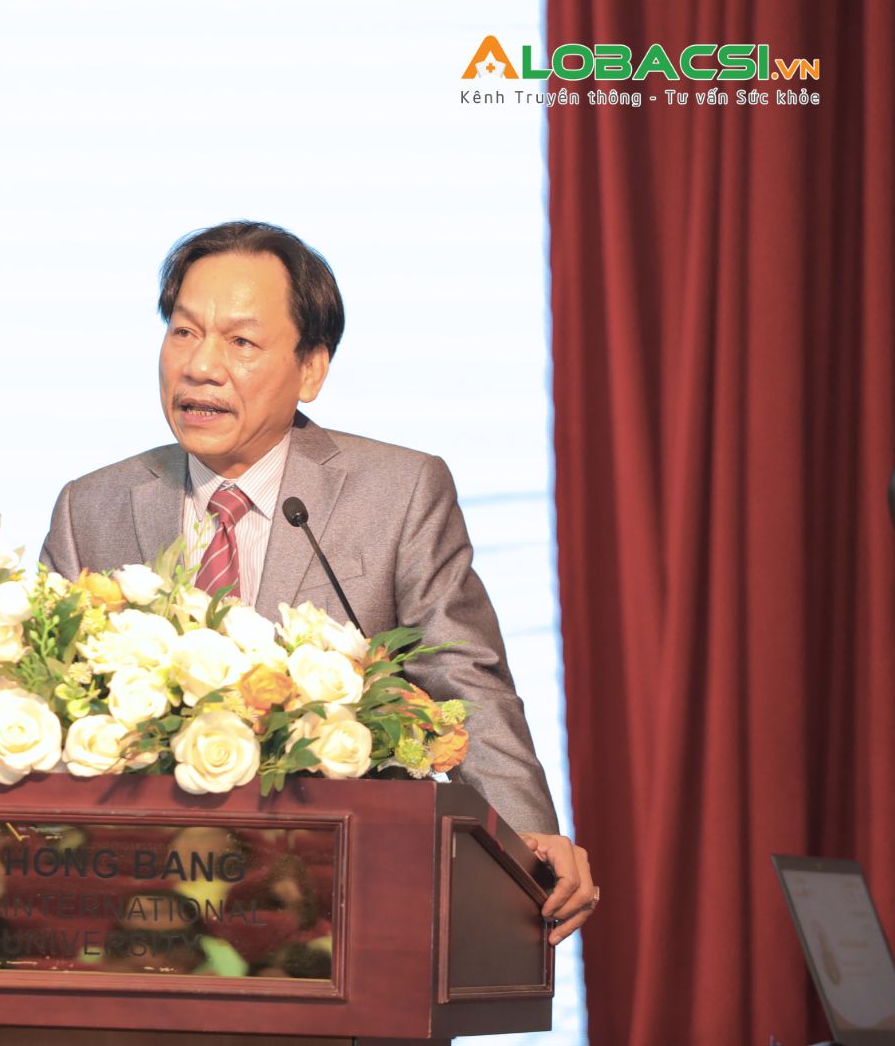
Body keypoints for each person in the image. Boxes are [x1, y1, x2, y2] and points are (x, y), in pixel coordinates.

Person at [40, 221, 599, 943]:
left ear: (311, 370)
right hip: (139, 907)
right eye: (183, 332)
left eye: (241, 342)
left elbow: (465, 684)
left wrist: (528, 839)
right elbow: (42, 698)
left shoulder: (397, 493)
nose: (201, 366)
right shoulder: (92, 507)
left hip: (336, 906)